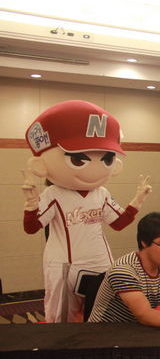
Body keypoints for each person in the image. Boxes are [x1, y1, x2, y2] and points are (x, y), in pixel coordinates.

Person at [21, 100, 151, 323]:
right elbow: (31, 228)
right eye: (78, 159)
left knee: (103, 313)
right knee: (62, 318)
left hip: (100, 262)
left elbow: (118, 223)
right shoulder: (54, 194)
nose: (95, 168)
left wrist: (137, 200)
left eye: (107, 158)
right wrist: (31, 204)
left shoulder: (101, 193)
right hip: (65, 265)